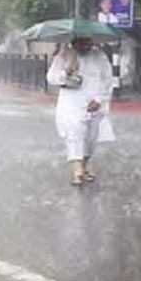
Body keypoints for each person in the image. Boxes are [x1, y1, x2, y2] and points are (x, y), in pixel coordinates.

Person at [47, 38, 115, 186]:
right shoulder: (65, 55)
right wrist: (66, 72)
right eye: (81, 43)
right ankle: (77, 170)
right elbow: (51, 78)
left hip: (94, 103)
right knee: (74, 132)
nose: (84, 46)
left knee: (90, 138)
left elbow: (107, 80)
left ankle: (84, 164)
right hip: (71, 103)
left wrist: (99, 100)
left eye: (87, 42)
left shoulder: (99, 56)